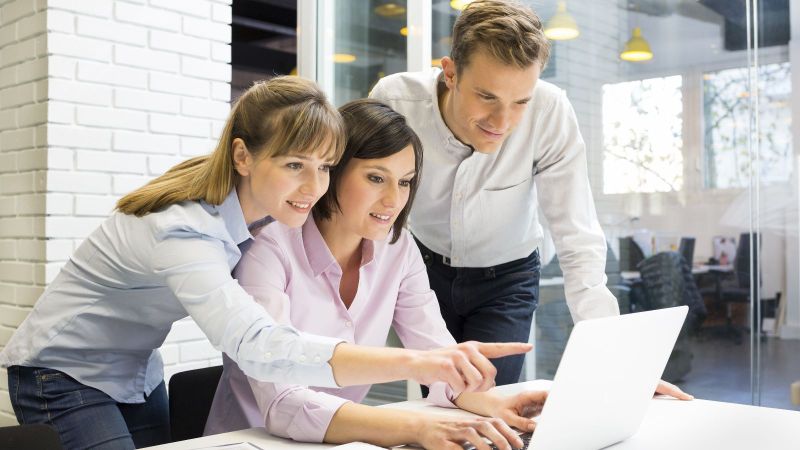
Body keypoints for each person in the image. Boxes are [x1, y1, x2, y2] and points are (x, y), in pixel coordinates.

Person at [0, 77, 531, 450]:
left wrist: (477, 394)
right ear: (243, 156)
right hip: (62, 371)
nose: (312, 185)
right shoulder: (190, 232)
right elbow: (259, 347)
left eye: (323, 166)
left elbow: (434, 348)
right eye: (295, 164)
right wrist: (417, 366)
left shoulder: (265, 221)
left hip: (136, 371)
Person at [370, 0, 692, 399]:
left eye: (520, 101)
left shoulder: (550, 110)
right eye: (486, 97)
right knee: (444, 399)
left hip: (507, 279)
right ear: (450, 73)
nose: (502, 122)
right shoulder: (395, 101)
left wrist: (617, 364)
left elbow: (577, 235)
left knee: (489, 398)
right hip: (423, 269)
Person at [205, 99, 548, 449]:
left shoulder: (398, 248)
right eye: (376, 178)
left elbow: (436, 355)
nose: (393, 200)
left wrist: (494, 404)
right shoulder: (268, 246)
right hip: (247, 442)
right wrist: (416, 427)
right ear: (332, 171)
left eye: (405, 182)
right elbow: (283, 402)